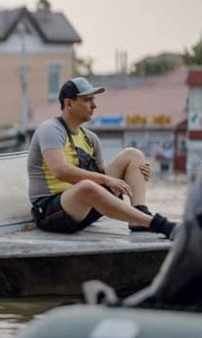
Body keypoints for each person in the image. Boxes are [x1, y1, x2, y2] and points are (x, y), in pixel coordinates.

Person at [28, 77, 178, 239]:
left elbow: (102, 175)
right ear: (68, 103)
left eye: (93, 100)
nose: (94, 106)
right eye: (87, 100)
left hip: (85, 207)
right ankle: (160, 225)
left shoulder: (90, 138)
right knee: (87, 187)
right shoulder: (51, 129)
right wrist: (107, 180)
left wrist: (136, 173)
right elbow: (60, 171)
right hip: (51, 212)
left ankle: (139, 216)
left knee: (133, 155)